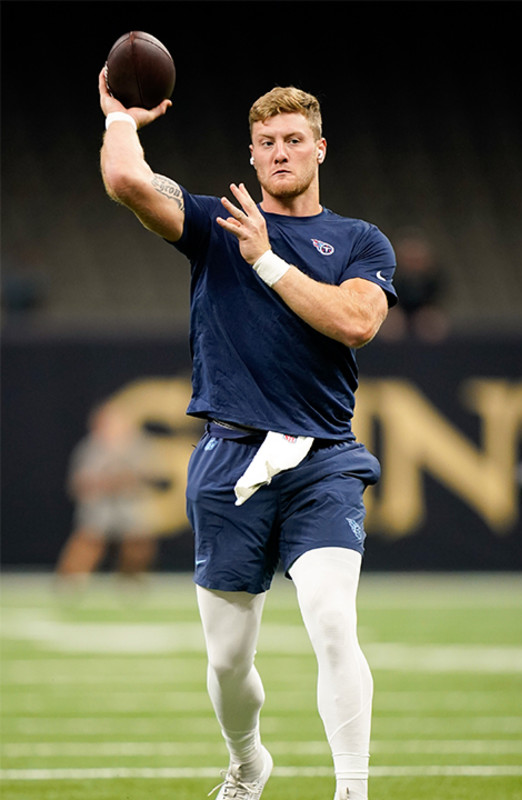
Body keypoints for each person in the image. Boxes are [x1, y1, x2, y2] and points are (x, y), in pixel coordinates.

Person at [98, 70, 397, 800]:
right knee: (229, 659)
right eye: (267, 142)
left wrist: (267, 259)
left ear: (321, 148)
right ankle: (247, 761)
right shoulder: (215, 224)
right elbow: (128, 185)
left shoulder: (358, 240)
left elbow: (357, 322)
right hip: (230, 455)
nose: (280, 152)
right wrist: (120, 119)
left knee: (332, 620)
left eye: (294, 140)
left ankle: (352, 790)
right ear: (253, 154)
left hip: (322, 455)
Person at [55, 401, 157, 591]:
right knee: (89, 541)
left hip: (128, 501)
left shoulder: (137, 446)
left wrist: (124, 481)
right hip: (100, 503)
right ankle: (70, 583)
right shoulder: (90, 448)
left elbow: (147, 476)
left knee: (138, 542)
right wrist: (105, 483)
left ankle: (131, 582)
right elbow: (79, 483)